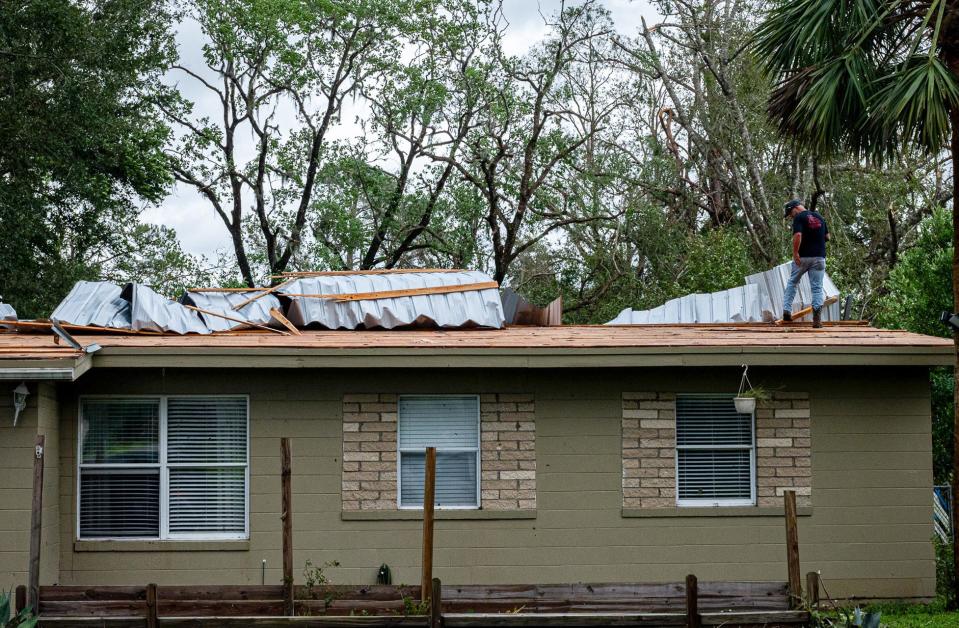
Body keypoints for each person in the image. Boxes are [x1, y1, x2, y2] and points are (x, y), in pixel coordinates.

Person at [781, 199, 829, 328]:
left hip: (802, 257)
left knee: (793, 282)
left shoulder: (799, 217)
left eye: (790, 213)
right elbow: (827, 237)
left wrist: (795, 252)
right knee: (817, 288)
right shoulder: (820, 217)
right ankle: (817, 320)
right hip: (819, 257)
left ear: (795, 208)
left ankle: (786, 311)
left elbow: (797, 235)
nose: (791, 216)